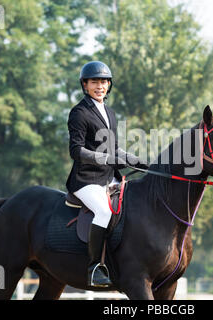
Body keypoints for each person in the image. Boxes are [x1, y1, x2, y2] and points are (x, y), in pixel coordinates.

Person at [66, 61, 148, 287]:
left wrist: (139, 162)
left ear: (109, 85)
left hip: (108, 177)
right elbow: (76, 150)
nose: (99, 86)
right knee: (104, 211)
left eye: (103, 82)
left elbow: (116, 149)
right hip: (86, 180)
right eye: (94, 82)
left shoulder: (110, 113)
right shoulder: (79, 113)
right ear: (85, 85)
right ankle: (94, 267)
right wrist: (105, 158)